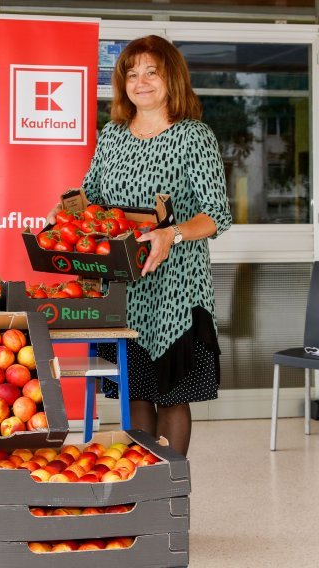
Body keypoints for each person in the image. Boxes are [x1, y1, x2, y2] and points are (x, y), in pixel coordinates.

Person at [48, 35, 231, 456]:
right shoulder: (112, 135)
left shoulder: (193, 136)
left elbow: (216, 215)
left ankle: (168, 493)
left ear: (172, 78)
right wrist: (62, 218)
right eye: (132, 73)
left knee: (171, 395)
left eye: (152, 71)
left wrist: (172, 233)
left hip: (176, 288)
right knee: (136, 393)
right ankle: (144, 490)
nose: (141, 81)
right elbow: (90, 196)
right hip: (123, 286)